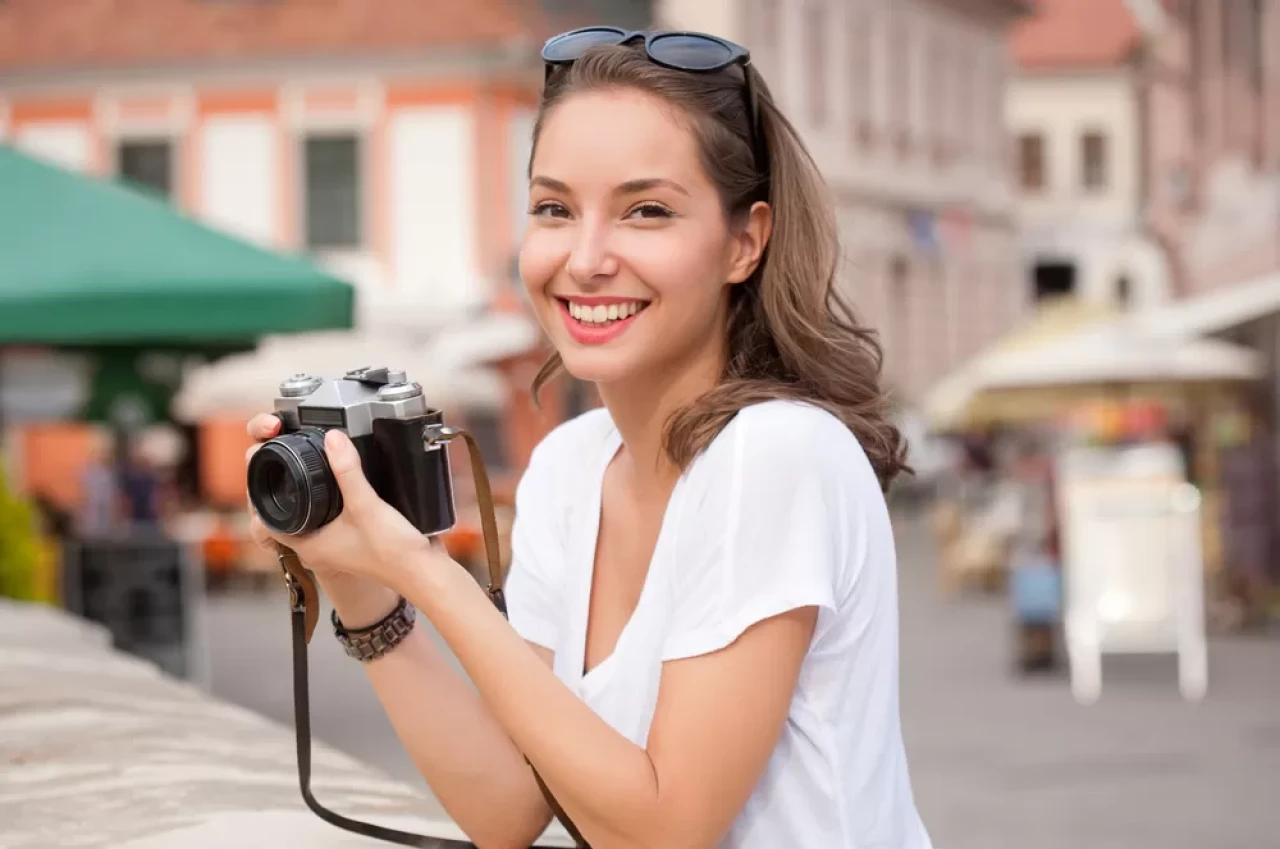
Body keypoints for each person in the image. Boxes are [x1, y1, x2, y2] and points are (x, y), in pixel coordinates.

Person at [247, 27, 931, 849]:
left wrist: (425, 571)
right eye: (554, 208)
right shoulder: (571, 468)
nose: (586, 257)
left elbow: (665, 828)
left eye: (647, 211)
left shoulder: (773, 453)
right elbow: (510, 805)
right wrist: (357, 574)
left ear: (745, 242)